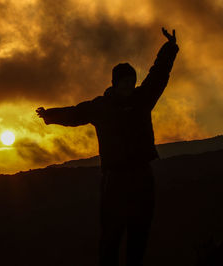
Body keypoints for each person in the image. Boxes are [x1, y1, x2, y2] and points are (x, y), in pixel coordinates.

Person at [36, 28, 179, 266]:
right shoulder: (101, 107)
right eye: (125, 82)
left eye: (132, 81)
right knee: (110, 238)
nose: (129, 86)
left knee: (139, 236)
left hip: (142, 177)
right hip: (115, 181)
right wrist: (49, 115)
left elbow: (159, 74)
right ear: (115, 83)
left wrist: (170, 47)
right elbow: (75, 113)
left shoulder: (142, 99)